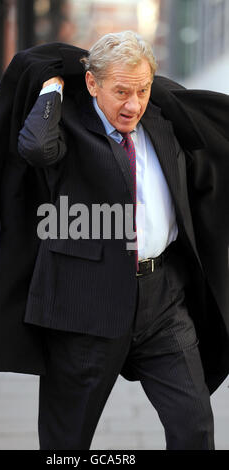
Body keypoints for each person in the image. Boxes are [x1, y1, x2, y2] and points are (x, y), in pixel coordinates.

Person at [17, 31, 217, 450]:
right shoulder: (67, 128)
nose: (133, 104)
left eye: (142, 90)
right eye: (121, 91)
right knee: (66, 441)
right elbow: (35, 147)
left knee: (194, 425)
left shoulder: (163, 122)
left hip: (162, 300)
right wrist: (53, 88)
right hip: (84, 303)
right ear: (92, 84)